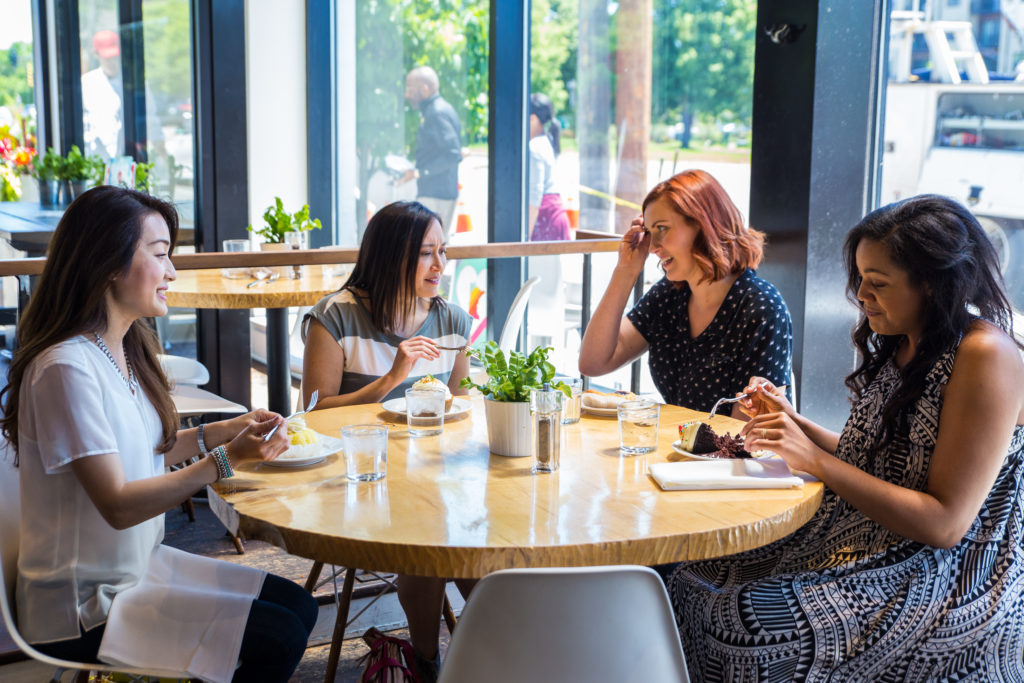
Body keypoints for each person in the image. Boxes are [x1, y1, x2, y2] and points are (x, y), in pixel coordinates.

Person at [671, 195, 1024, 679]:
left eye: (877, 284)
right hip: (868, 536)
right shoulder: (909, 338)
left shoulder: (986, 354)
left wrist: (814, 460)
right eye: (860, 280)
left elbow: (945, 524)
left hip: (947, 574)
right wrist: (793, 423)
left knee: (744, 619)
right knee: (691, 575)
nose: (861, 296)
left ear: (933, 284)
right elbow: (878, 459)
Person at [0, 186, 317, 682]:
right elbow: (119, 503)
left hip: (135, 570)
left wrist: (222, 432)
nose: (171, 273)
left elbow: (150, 447)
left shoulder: (121, 350)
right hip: (83, 606)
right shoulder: (65, 368)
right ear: (108, 263)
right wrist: (227, 460)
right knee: (279, 636)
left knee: (299, 606)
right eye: (161, 255)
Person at [301, 200, 472, 682]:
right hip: (357, 476)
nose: (440, 266)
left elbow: (462, 405)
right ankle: (428, 661)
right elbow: (311, 416)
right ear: (391, 257)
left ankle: (486, 654)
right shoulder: (335, 317)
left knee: (484, 546)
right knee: (427, 535)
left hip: (436, 474)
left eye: (443, 251)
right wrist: (391, 378)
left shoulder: (453, 322)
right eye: (426, 253)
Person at [578, 169, 792, 415]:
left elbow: (745, 433)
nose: (653, 247)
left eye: (662, 228)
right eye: (649, 232)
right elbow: (592, 363)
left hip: (729, 452)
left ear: (703, 225)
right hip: (682, 447)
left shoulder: (761, 307)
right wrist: (625, 271)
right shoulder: (669, 295)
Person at [396, 66, 462, 239]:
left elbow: (453, 154)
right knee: (428, 247)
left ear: (425, 89)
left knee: (430, 247)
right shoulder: (433, 110)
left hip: (438, 195)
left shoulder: (437, 112)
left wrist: (420, 173)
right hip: (435, 192)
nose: (407, 94)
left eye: (410, 89)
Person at [81, 30, 165, 162]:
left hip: (128, 162)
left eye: (115, 56)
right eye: (108, 57)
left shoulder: (135, 82)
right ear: (96, 54)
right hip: (96, 163)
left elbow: (150, 118)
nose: (112, 61)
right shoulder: (87, 84)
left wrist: (162, 154)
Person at [527, 93, 571, 242]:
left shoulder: (534, 147)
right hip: (555, 219)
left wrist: (524, 240)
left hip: (544, 222)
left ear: (532, 118)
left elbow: (535, 195)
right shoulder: (547, 141)